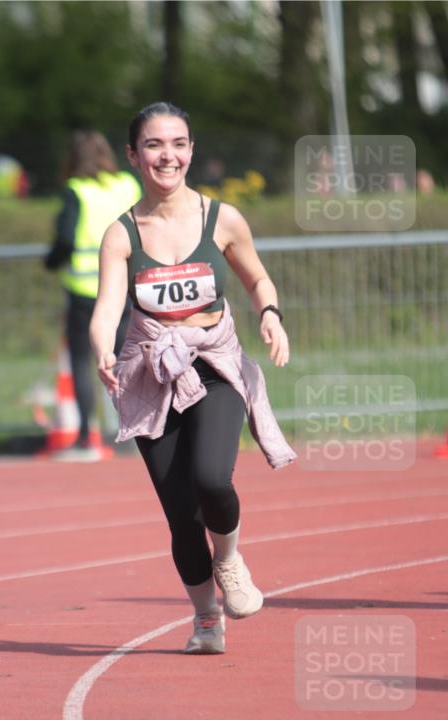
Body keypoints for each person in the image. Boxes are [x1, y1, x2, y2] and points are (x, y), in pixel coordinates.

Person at [90, 103, 296, 654]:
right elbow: (108, 306)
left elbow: (258, 279)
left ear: (191, 150)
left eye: (178, 143)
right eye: (154, 145)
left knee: (211, 479)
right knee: (181, 515)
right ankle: (207, 619)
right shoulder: (121, 234)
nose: (168, 155)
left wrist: (270, 315)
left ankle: (229, 559)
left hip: (215, 363)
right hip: (151, 373)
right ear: (133, 155)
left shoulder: (222, 219)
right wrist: (101, 347)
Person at [45, 131, 141, 451]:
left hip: (85, 291)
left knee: (84, 362)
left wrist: (51, 261)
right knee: (127, 361)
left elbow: (65, 239)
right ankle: (134, 431)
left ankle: (86, 435)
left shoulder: (76, 190)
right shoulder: (127, 185)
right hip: (126, 287)